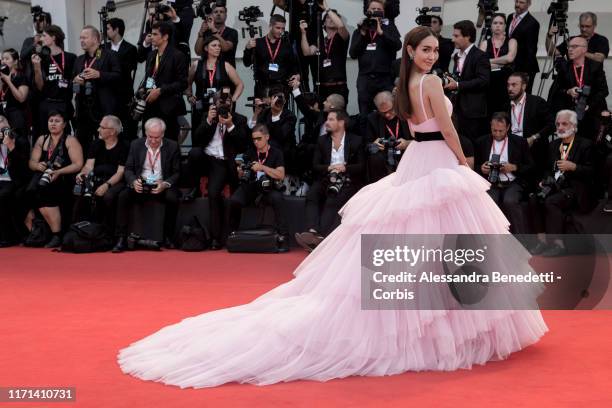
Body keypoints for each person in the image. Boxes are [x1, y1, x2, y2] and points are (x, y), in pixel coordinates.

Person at [118, 26, 547, 388]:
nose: (434, 55)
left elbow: (422, 127)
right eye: (427, 49)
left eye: (437, 49)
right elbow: (449, 128)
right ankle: (442, 327)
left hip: (419, 160)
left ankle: (436, 323)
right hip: (436, 162)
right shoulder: (431, 83)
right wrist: (463, 161)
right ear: (411, 52)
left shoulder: (405, 85)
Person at [184, 92, 249, 249]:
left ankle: (217, 238)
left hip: (225, 161)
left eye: (228, 104)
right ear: (214, 105)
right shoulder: (208, 116)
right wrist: (208, 121)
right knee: (194, 152)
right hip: (209, 158)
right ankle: (194, 187)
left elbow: (243, 144)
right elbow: (197, 138)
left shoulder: (239, 119)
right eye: (221, 104)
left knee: (214, 193)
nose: (225, 108)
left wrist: (230, 125)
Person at [295, 109, 364, 251]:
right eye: (327, 119)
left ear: (341, 122)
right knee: (313, 194)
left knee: (333, 198)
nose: (327, 122)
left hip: (347, 180)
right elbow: (315, 166)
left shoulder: (356, 140)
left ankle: (320, 237)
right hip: (327, 177)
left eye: (331, 119)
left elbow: (362, 166)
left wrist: (345, 168)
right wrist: (330, 168)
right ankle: (313, 231)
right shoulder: (322, 141)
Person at [529, 110, 595, 257]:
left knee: (552, 202)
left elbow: (593, 172)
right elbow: (546, 169)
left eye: (564, 124)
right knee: (534, 198)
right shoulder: (553, 145)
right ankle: (542, 241)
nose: (560, 127)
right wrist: (543, 181)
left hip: (575, 188)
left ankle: (558, 244)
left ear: (574, 126)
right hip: (555, 185)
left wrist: (574, 167)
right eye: (558, 124)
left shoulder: (585, 144)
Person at [113, 118, 180, 252]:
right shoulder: (136, 144)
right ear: (145, 133)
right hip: (141, 184)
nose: (154, 140)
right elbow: (128, 169)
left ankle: (168, 237)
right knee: (123, 196)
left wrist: (165, 184)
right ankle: (121, 238)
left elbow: (177, 173)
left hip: (160, 185)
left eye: (157, 137)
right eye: (150, 137)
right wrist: (133, 181)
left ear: (163, 135)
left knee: (173, 198)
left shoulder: (172, 146)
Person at [27, 111, 84, 248]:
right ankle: (45, 232)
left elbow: (78, 164)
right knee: (32, 190)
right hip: (45, 176)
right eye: (50, 120)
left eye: (57, 121)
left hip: (64, 176)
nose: (53, 123)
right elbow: (31, 162)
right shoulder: (42, 139)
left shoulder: (70, 140)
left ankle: (57, 234)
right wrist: (37, 165)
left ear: (64, 124)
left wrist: (59, 171)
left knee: (47, 191)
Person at [229, 124, 290, 252]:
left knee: (278, 199)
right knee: (234, 201)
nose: (256, 142)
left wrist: (262, 168)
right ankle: (232, 235)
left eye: (259, 138)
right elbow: (242, 172)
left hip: (269, 187)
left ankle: (284, 237)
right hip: (252, 185)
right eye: (254, 139)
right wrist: (240, 171)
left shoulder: (276, 152)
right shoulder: (250, 152)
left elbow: (280, 174)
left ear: (267, 137)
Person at [475, 112, 534, 234]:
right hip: (491, 182)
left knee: (510, 201)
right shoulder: (482, 141)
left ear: (508, 128)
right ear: (490, 126)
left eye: (501, 131)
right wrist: (481, 168)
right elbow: (474, 166)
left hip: (512, 182)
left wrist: (514, 167)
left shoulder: (519, 142)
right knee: (489, 201)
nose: (497, 134)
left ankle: (523, 240)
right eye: (494, 130)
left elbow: (531, 166)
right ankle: (493, 239)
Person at [72, 115, 128, 233]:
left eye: (102, 127)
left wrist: (107, 185)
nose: (98, 130)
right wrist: (82, 174)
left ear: (112, 132)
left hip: (114, 180)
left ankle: (107, 232)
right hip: (96, 178)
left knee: (108, 196)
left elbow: (120, 172)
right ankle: (79, 231)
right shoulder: (96, 144)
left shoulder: (124, 146)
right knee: (79, 193)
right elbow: (89, 166)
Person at [72, 26, 122, 154]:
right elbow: (73, 79)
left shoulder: (110, 55)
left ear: (95, 39)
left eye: (85, 37)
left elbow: (119, 77)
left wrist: (99, 74)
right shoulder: (79, 60)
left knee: (105, 142)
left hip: (103, 108)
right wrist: (77, 79)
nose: (81, 40)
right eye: (80, 38)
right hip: (83, 109)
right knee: (83, 142)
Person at [137, 21, 189, 142]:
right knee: (148, 140)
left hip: (168, 108)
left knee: (168, 141)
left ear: (165, 37)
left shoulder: (178, 55)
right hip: (150, 105)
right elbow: (150, 77)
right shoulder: (151, 55)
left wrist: (160, 90)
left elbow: (182, 83)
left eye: (155, 34)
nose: (151, 37)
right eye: (151, 34)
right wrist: (144, 89)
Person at [550, 36, 609, 140]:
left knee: (592, 144)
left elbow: (603, 91)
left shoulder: (595, 66)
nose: (570, 49)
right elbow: (555, 91)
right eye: (569, 47)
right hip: (571, 112)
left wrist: (589, 105)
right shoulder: (564, 68)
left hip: (592, 111)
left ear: (584, 49)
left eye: (574, 46)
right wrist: (568, 91)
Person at [349, 0, 401, 114]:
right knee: (364, 113)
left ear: (383, 12)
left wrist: (381, 32)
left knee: (387, 111)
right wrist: (362, 34)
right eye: (373, 9)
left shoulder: (389, 27)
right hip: (365, 79)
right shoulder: (360, 29)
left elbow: (397, 45)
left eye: (379, 10)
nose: (375, 12)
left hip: (385, 79)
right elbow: (353, 54)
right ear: (367, 12)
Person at [446, 20, 491, 143]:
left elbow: (484, 80)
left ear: (468, 37)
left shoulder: (480, 56)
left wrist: (458, 85)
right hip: (457, 109)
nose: (452, 39)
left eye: (456, 36)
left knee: (470, 145)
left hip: (472, 112)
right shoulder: (456, 56)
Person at [187, 36, 243, 130]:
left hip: (221, 106)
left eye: (219, 46)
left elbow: (240, 84)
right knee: (200, 134)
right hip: (200, 105)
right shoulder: (196, 64)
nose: (218, 48)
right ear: (206, 48)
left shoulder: (226, 65)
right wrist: (189, 96)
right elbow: (187, 83)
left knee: (221, 136)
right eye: (214, 45)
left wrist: (232, 99)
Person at [506, 72, 554, 178]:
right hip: (512, 149)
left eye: (514, 85)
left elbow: (551, 125)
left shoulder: (537, 102)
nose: (510, 88)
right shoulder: (504, 104)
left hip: (533, 148)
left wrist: (534, 137)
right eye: (508, 85)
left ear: (524, 86)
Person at [31, 25, 77, 138]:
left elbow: (75, 83)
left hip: (64, 103)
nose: (41, 39)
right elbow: (40, 86)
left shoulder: (71, 57)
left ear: (53, 37)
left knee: (65, 138)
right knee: (46, 138)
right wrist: (37, 67)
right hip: (47, 104)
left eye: (44, 36)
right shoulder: (41, 58)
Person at [299, 6, 350, 104]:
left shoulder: (342, 37)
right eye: (328, 17)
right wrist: (303, 33)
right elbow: (307, 52)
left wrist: (327, 9)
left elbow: (341, 26)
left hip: (338, 86)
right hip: (322, 87)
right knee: (323, 117)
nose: (331, 19)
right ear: (324, 22)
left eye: (334, 17)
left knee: (338, 116)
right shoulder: (321, 41)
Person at [243, 14, 299, 98]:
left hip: (281, 87)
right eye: (278, 28)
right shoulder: (258, 43)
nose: (281, 31)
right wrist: (247, 48)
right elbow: (246, 63)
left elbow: (293, 66)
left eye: (283, 28)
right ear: (270, 26)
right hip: (262, 86)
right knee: (262, 111)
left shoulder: (286, 45)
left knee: (280, 111)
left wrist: (297, 75)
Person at [365, 91, 411, 183]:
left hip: (406, 151)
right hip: (385, 156)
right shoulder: (372, 119)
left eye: (390, 110)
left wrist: (408, 143)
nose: (387, 115)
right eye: (383, 112)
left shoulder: (406, 113)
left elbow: (420, 138)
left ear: (395, 103)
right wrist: (374, 145)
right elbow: (366, 145)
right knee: (374, 158)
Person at [0, 116, 31, 246]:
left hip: (15, 179)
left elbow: (23, 169)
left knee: (3, 196)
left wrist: (11, 147)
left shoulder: (21, 141)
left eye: (2, 123)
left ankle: (6, 237)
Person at [105, 18, 138, 141]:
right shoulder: (103, 48)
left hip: (123, 95)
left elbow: (128, 69)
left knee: (125, 128)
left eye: (108, 29)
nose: (106, 32)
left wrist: (109, 59)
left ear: (116, 29)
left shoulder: (130, 49)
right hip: (107, 94)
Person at [479, 14, 517, 116]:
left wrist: (489, 61)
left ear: (505, 26)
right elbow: (480, 63)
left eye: (501, 23)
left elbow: (509, 58)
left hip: (505, 84)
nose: (498, 26)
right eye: (495, 23)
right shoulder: (485, 43)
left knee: (503, 114)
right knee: (488, 113)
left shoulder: (511, 41)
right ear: (491, 26)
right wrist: (501, 64)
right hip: (489, 84)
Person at [506, 0, 539, 94]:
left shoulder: (533, 23)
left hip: (524, 67)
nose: (517, 5)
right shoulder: (510, 17)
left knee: (523, 96)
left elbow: (531, 50)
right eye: (516, 1)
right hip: (510, 65)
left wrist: (525, 74)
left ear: (529, 4)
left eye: (521, 2)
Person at [194, 2, 238, 67]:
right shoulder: (206, 32)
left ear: (226, 15)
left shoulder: (232, 32)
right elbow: (198, 52)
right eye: (215, 12)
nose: (218, 14)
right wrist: (201, 33)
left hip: (226, 72)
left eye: (221, 12)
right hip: (207, 71)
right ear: (211, 15)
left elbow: (225, 48)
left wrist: (213, 30)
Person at [0, 49, 29, 140]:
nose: (3, 61)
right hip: (3, 116)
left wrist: (9, 82)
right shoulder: (2, 77)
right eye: (2, 59)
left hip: (17, 116)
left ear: (15, 61)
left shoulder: (21, 77)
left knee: (18, 144)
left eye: (7, 59)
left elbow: (21, 98)